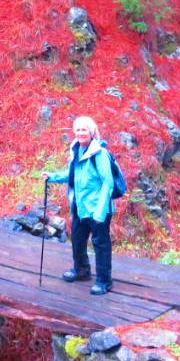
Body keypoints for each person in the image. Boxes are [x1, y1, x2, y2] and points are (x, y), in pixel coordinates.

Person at [42, 116, 115, 295]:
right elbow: (72, 173)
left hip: (98, 208)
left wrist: (100, 211)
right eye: (78, 130)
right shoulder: (77, 149)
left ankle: (104, 281)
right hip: (80, 207)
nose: (81, 133)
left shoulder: (100, 154)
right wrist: (53, 176)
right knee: (77, 240)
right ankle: (82, 270)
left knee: (100, 244)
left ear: (91, 132)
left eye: (84, 130)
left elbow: (108, 183)